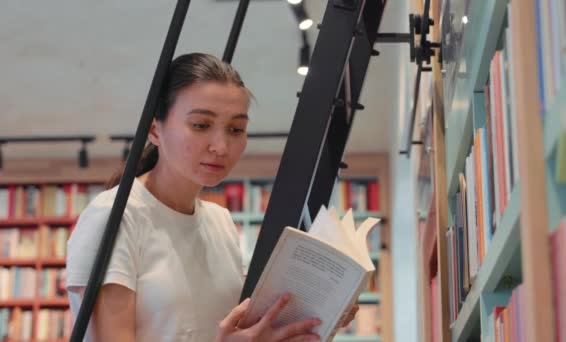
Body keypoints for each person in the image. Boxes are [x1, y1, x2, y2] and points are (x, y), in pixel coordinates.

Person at [66, 53, 358, 341]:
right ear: (155, 130)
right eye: (201, 125)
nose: (221, 146)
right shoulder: (114, 216)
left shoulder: (219, 221)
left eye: (236, 129)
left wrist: (318, 309)